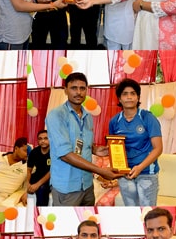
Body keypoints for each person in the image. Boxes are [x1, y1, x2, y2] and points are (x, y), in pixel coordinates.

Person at [45, 72, 122, 205]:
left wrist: (96, 150)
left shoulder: (87, 116)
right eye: (74, 88)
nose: (78, 92)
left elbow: (84, 144)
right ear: (65, 90)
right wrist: (101, 171)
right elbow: (65, 155)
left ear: (87, 90)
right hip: (67, 187)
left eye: (82, 88)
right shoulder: (56, 115)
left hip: (87, 184)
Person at [108, 79, 162, 206]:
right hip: (124, 174)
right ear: (119, 99)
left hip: (147, 173)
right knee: (131, 210)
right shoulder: (114, 121)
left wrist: (139, 167)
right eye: (125, 94)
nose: (129, 97)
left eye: (133, 93)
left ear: (138, 97)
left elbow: (158, 148)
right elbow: (114, 147)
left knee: (147, 211)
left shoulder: (148, 118)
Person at [27, 130, 51, 206]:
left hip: (50, 178)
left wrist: (37, 185)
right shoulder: (34, 152)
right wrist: (27, 184)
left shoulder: (54, 152)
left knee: (42, 188)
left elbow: (52, 171)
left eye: (45, 138)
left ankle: (40, 211)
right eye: (40, 139)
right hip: (37, 176)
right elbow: (29, 170)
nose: (43, 141)